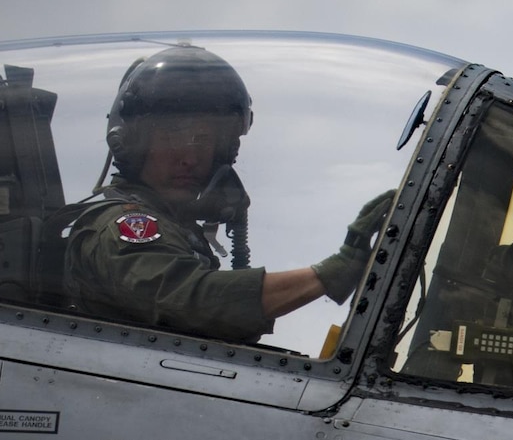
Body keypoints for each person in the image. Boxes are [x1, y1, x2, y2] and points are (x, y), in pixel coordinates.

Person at [64, 44, 390, 344]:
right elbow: (193, 301)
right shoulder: (121, 227)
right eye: (174, 136)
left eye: (204, 141)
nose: (190, 158)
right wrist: (327, 274)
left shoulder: (175, 228)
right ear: (132, 141)